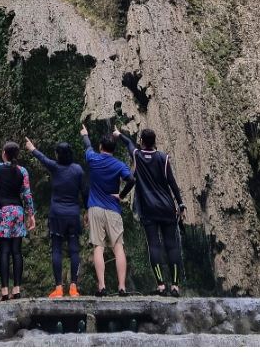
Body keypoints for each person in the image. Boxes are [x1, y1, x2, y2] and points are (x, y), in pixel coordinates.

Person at [114, 126, 187, 296]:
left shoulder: (137, 155)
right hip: (167, 208)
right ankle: (175, 286)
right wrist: (181, 205)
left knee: (154, 245)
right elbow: (172, 183)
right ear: (155, 141)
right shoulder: (163, 158)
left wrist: (118, 134)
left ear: (141, 141)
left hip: (148, 209)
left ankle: (161, 285)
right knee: (172, 246)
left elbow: (129, 143)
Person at [24, 135, 89, 298]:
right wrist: (88, 211)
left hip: (57, 214)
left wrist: (32, 148)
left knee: (57, 250)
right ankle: (73, 287)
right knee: (74, 250)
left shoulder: (55, 167)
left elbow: (43, 159)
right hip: (73, 214)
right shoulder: (78, 170)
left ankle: (59, 288)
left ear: (58, 155)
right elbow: (85, 192)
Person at [80, 123, 135, 297]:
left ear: (100, 147)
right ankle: (122, 287)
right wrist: (122, 195)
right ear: (114, 149)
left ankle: (102, 287)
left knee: (98, 247)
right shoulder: (119, 165)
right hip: (113, 208)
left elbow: (87, 146)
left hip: (95, 208)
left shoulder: (93, 159)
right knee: (118, 248)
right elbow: (131, 180)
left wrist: (85, 134)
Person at [0, 140, 35, 300]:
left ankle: (5, 291)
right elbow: (27, 194)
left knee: (4, 252)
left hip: (3, 212)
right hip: (17, 212)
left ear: (4, 154)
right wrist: (31, 214)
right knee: (17, 251)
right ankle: (17, 289)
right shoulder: (23, 171)